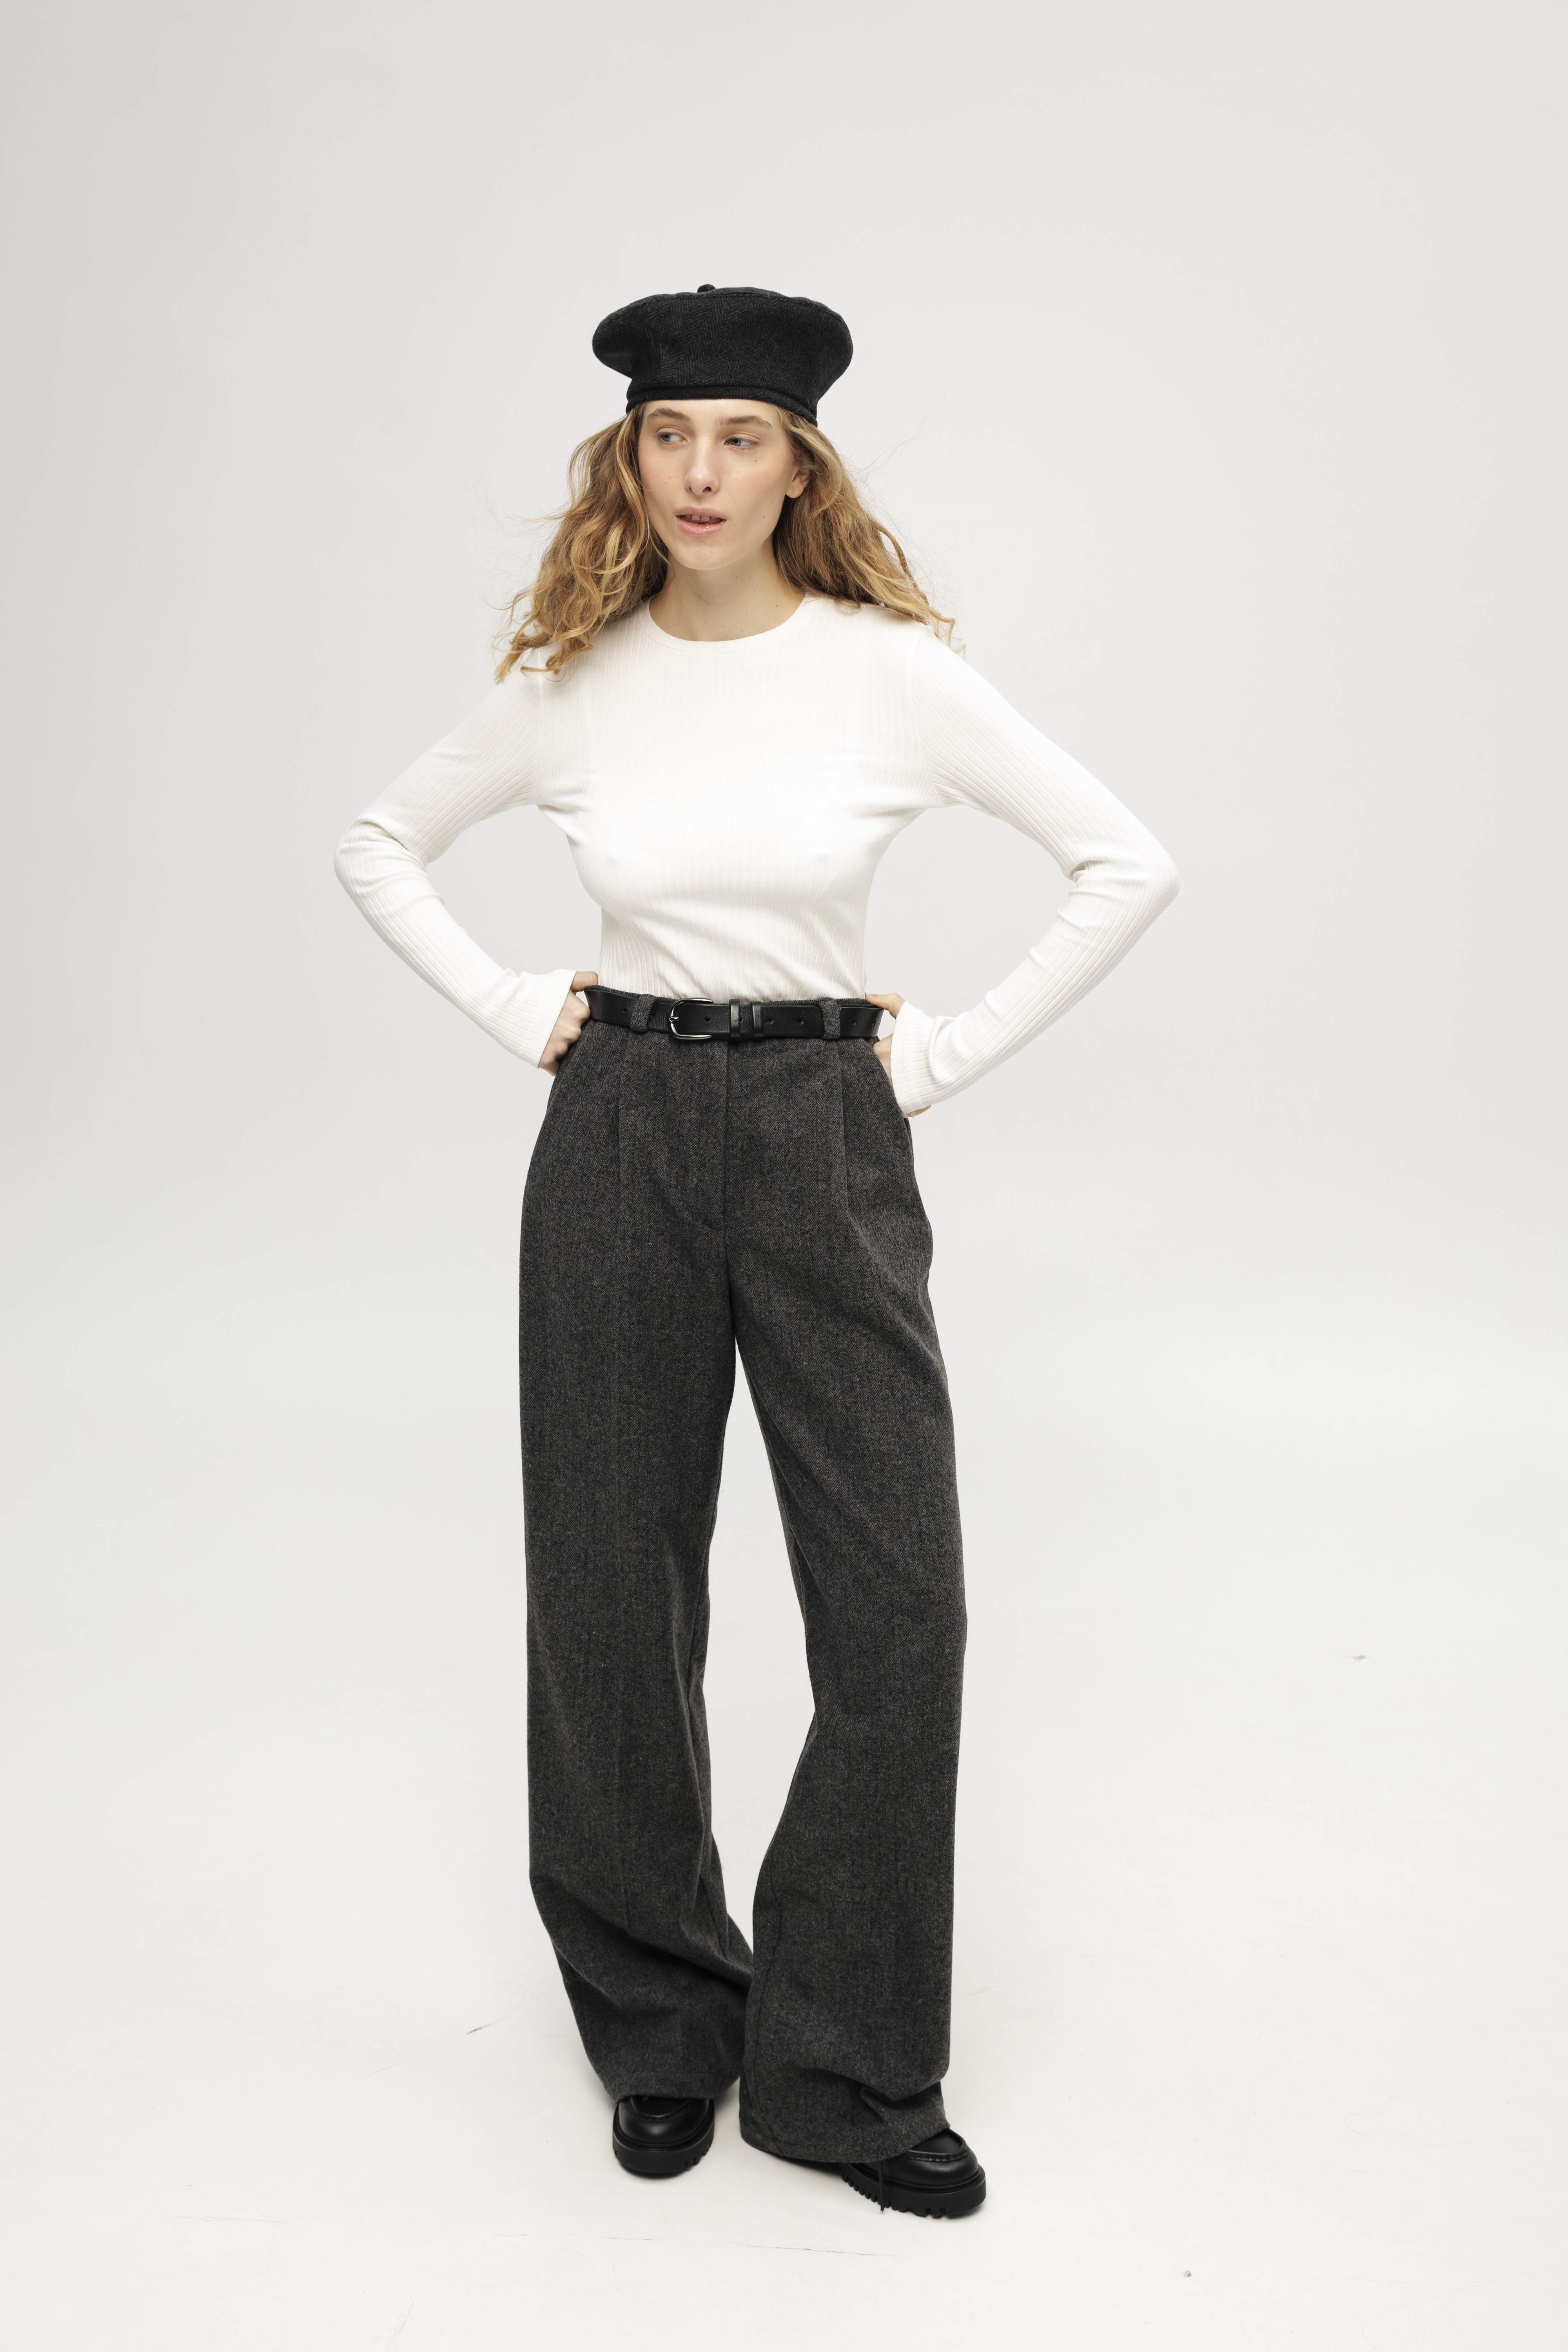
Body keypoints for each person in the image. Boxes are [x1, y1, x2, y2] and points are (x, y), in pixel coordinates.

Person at [335, 283, 1178, 2219]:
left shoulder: (890, 673)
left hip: (820, 1127)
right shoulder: (574, 677)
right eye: (668, 435)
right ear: (627, 456)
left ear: (801, 465)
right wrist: (519, 1008)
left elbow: (1124, 859)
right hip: (618, 1123)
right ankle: (661, 2027)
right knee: (610, 1591)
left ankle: (845, 2069)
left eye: (739, 438)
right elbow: (379, 841)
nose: (699, 472)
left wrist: (932, 1060)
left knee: (896, 1606)